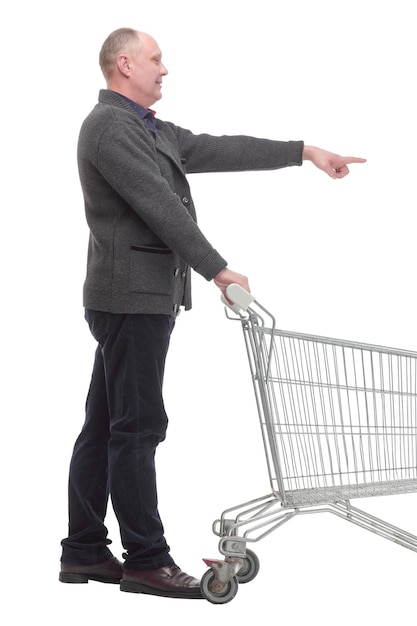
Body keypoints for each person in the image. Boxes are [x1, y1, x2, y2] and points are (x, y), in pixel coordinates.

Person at [59, 27, 366, 599]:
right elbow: (158, 208)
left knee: (107, 425)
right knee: (138, 428)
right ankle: (147, 560)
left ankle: (82, 550)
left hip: (136, 299)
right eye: (156, 60)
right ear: (124, 64)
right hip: (131, 299)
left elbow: (217, 147)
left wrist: (302, 153)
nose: (165, 69)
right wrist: (218, 268)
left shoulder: (145, 129)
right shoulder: (109, 128)